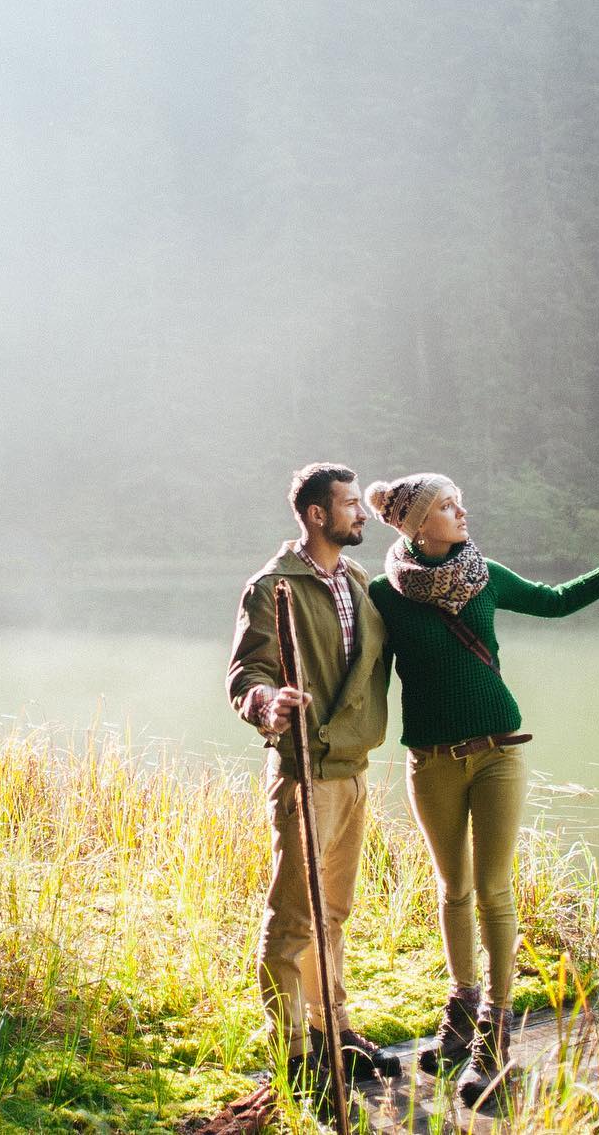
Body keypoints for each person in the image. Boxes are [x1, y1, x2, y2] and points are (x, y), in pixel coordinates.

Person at [364, 472, 599, 1107]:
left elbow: (556, 600)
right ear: (415, 524)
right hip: (430, 762)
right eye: (446, 505)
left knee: (493, 889)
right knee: (452, 889)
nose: (462, 511)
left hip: (497, 753)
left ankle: (495, 1033)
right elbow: (358, 664)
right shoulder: (384, 594)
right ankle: (460, 1011)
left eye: (458, 500)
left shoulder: (484, 574)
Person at [226, 462, 401, 1107]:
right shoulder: (273, 586)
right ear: (317, 514)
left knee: (334, 911)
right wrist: (266, 703)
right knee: (295, 914)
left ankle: (334, 1028)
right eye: (350, 505)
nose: (361, 513)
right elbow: (245, 676)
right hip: (304, 771)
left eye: (360, 503)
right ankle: (294, 1048)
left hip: (353, 770)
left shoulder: (359, 581)